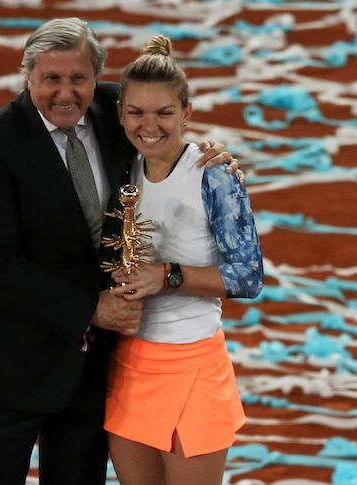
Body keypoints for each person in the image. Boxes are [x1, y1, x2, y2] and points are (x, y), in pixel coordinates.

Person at [0, 18, 240, 485]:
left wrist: (213, 156)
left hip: (88, 372)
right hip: (12, 366)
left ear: (96, 78)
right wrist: (93, 309)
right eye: (51, 79)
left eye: (78, 79)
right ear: (28, 77)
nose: (65, 93)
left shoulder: (116, 111)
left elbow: (162, 127)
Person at [105, 34, 264, 485]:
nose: (148, 125)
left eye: (164, 113)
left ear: (187, 114)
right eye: (135, 112)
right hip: (130, 364)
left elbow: (248, 276)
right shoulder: (125, 167)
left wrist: (167, 276)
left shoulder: (215, 176)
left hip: (193, 368)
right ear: (120, 115)